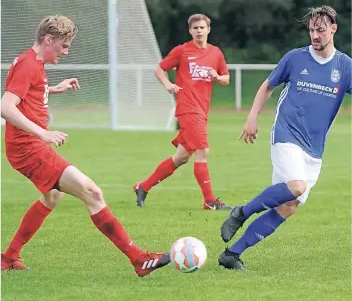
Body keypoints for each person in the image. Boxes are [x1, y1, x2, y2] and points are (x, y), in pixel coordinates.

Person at [1, 15, 170, 277]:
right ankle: (138, 259)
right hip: (29, 148)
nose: (66, 52)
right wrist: (42, 133)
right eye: (63, 46)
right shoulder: (28, 65)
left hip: (29, 146)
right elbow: (5, 107)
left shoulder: (32, 63)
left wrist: (54, 89)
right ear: (48, 39)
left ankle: (9, 257)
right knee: (93, 192)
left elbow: (28, 93)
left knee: (51, 196)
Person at [218, 5, 352, 270]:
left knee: (290, 206)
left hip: (315, 149)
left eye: (321, 30)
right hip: (286, 134)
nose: (315, 35)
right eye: (312, 29)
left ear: (333, 29)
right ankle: (241, 213)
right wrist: (252, 118)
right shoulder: (295, 58)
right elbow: (267, 86)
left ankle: (231, 255)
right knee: (297, 186)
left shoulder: (345, 66)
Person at [133, 14, 232, 210]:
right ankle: (210, 201)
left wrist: (218, 77)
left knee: (181, 158)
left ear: (208, 29)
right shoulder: (182, 51)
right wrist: (168, 84)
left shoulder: (216, 53)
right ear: (190, 31)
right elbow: (160, 69)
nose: (199, 31)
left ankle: (142, 187)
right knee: (203, 151)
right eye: (195, 28)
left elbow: (226, 78)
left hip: (202, 111)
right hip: (188, 109)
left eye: (202, 27)